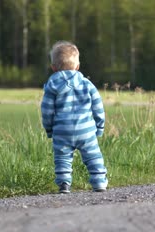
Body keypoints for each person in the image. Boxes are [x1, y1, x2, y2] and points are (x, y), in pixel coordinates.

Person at [41, 41, 108, 194]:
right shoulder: (87, 84)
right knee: (93, 156)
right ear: (77, 67)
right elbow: (98, 107)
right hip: (86, 130)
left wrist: (49, 128)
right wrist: (100, 126)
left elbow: (46, 110)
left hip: (62, 130)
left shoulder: (52, 86)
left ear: (53, 67)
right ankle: (99, 183)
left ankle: (64, 184)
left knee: (62, 158)